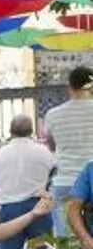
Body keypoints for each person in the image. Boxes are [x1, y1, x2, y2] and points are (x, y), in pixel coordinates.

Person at [0, 114, 54, 249]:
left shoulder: (0, 153)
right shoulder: (43, 151)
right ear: (31, 130)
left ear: (11, 130)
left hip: (10, 209)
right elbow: (52, 173)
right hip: (38, 206)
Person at [48, 67, 93, 238]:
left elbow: (52, 146)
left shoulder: (53, 115)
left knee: (67, 245)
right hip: (91, 180)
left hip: (65, 182)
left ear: (70, 86)